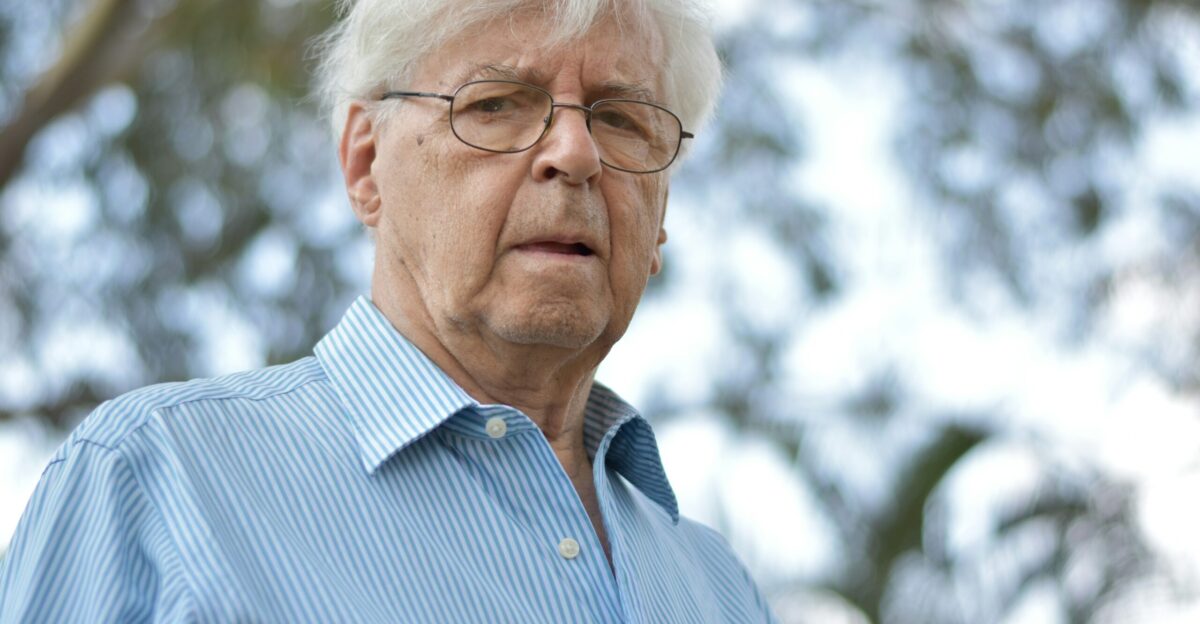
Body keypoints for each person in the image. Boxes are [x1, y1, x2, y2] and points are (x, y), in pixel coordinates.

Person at [0, 0, 777, 621]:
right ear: (365, 163)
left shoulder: (722, 591)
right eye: (496, 103)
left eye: (621, 120)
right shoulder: (154, 480)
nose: (575, 154)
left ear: (661, 210)